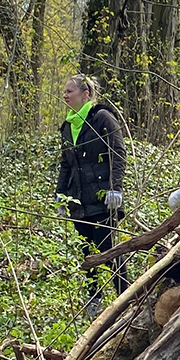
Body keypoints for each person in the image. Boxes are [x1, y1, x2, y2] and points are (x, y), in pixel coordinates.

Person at [56, 75, 128, 311]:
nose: (65, 96)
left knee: (109, 250)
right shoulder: (67, 126)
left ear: (85, 94)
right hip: (78, 202)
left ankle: (126, 299)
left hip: (103, 200)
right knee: (86, 251)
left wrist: (115, 188)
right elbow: (66, 164)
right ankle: (93, 301)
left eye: (70, 91)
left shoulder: (102, 118)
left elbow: (118, 152)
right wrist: (60, 193)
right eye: (65, 92)